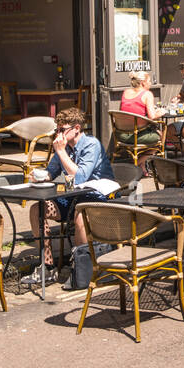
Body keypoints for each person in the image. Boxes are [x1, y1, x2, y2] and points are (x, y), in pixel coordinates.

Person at [22, 108, 118, 288]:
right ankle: (48, 266)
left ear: (76, 128)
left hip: (97, 196)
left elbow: (80, 176)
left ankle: (81, 268)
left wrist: (61, 151)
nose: (58, 134)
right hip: (72, 197)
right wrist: (39, 176)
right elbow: (52, 172)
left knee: (80, 216)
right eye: (56, 129)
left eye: (62, 130)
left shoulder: (91, 144)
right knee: (38, 209)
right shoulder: (63, 147)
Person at [117, 69, 161, 154]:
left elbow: (122, 112)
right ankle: (139, 163)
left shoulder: (126, 92)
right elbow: (152, 116)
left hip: (121, 135)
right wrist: (161, 112)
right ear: (143, 83)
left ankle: (141, 164)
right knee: (161, 135)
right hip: (136, 136)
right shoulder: (147, 94)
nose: (150, 83)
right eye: (149, 81)